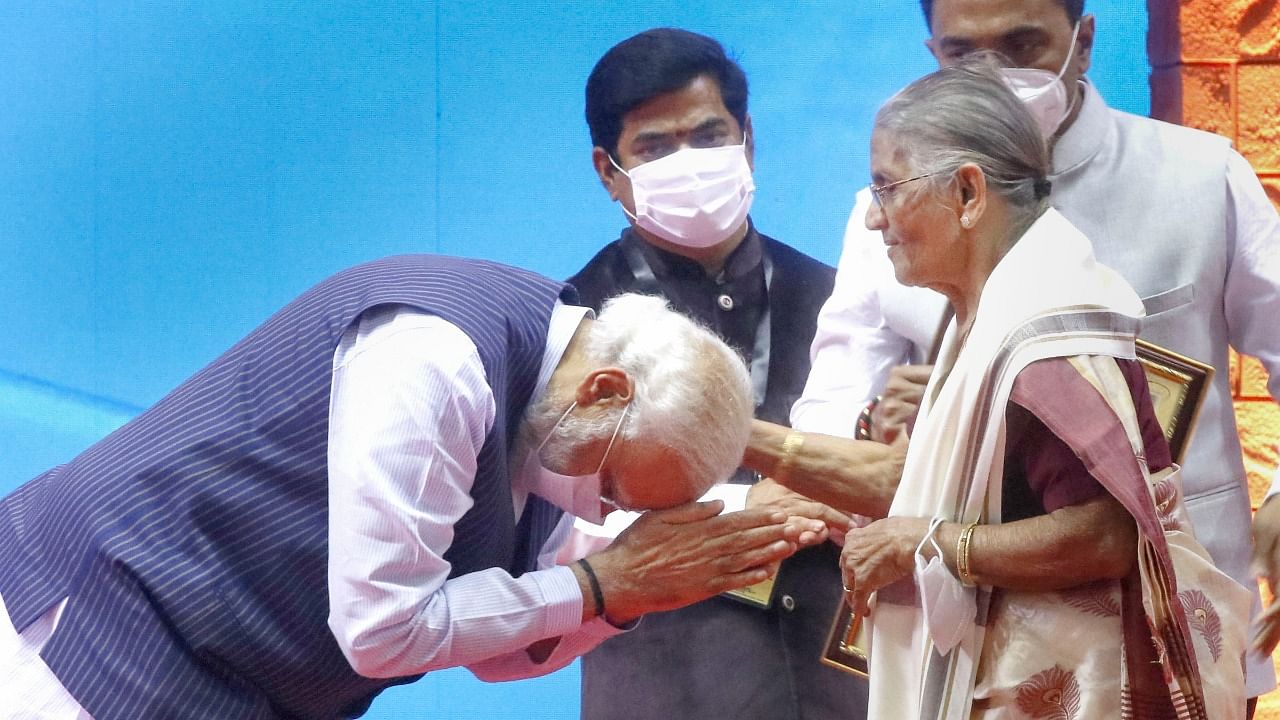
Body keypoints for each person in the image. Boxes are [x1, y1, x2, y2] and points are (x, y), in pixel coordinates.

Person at [0, 254, 807, 719]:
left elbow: (501, 652)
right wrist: (599, 584)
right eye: (619, 491)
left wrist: (623, 598)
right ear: (603, 393)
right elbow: (383, 631)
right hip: (95, 635)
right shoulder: (436, 360)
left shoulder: (556, 416)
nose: (611, 514)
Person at [790, 0, 1280, 703]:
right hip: (956, 646)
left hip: (1166, 638)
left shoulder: (1203, 179)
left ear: (1083, 44)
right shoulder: (889, 209)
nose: (994, 77)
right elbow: (834, 400)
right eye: (965, 54)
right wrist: (925, 417)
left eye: (1023, 46)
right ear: (934, 56)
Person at [566, 28, 859, 720]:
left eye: (708, 135)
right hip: (665, 688)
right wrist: (739, 513)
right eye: (656, 148)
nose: (689, 161)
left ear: (748, 139)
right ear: (609, 172)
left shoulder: (845, 298)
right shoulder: (569, 326)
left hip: (844, 683)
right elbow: (545, 532)